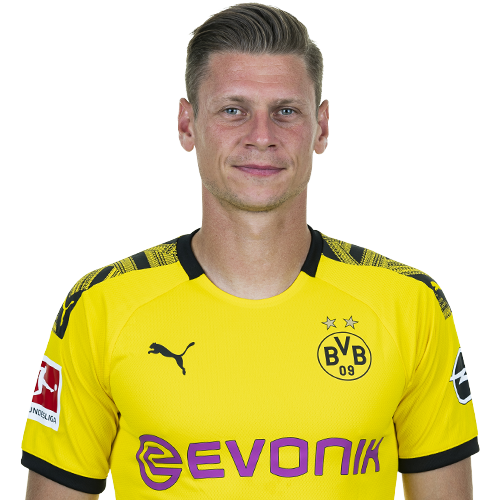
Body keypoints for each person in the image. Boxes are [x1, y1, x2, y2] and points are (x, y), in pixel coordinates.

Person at [21, 4, 479, 499]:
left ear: (321, 128)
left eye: (286, 111)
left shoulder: (410, 305)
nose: (262, 137)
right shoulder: (101, 308)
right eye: (233, 110)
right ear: (187, 125)